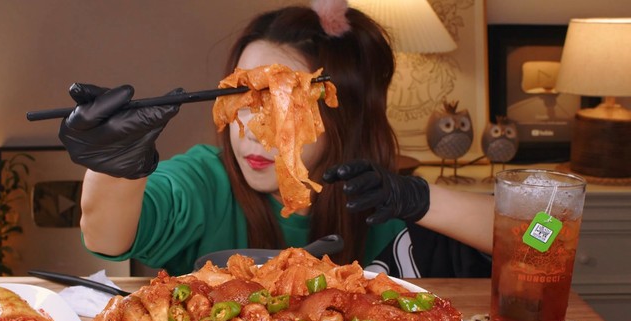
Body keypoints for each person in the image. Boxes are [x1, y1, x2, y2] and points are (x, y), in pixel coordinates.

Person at [57, 0, 494, 277]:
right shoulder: (206, 181)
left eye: (286, 107)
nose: (250, 130)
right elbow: (105, 238)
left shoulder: (389, 203)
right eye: (241, 99)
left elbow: (532, 236)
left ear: (346, 116)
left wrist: (420, 200)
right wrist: (115, 165)